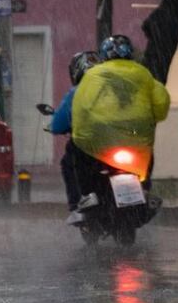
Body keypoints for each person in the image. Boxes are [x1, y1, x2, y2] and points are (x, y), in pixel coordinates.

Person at [69, 34, 170, 211]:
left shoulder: (94, 75)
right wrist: (152, 117)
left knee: (78, 153)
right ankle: (144, 187)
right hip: (136, 136)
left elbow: (81, 106)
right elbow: (161, 104)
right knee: (147, 155)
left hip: (101, 137)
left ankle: (87, 193)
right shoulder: (143, 74)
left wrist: (80, 130)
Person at [53, 51, 102, 226]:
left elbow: (58, 124)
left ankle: (76, 203)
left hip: (90, 143)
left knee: (69, 161)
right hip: (120, 139)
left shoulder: (77, 91)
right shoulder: (114, 87)